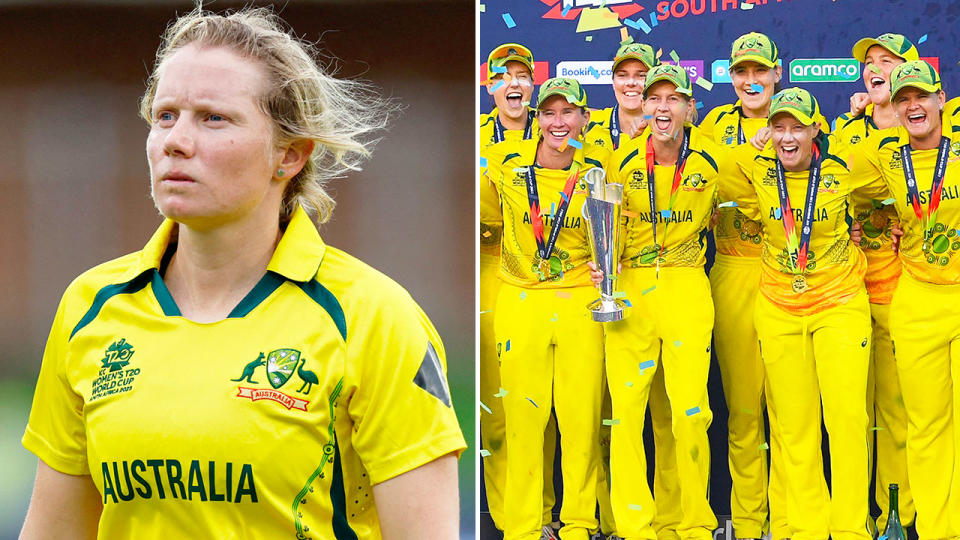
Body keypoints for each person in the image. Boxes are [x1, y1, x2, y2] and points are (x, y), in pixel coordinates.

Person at [19, 6, 465, 539]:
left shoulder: (373, 316)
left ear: (290, 155)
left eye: (213, 118)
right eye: (165, 115)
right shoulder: (90, 306)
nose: (175, 141)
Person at [725, 87, 887, 540]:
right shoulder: (757, 169)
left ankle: (853, 529)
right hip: (778, 305)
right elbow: (703, 161)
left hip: (838, 304)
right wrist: (752, 142)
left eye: (798, 126)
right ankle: (806, 530)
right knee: (794, 428)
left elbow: (896, 181)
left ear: (817, 129)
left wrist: (887, 228)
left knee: (847, 422)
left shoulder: (845, 170)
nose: (788, 137)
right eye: (779, 127)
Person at [483, 77, 609, 540]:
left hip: (579, 299)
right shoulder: (503, 162)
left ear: (584, 119)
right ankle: (523, 526)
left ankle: (579, 523)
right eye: (550, 113)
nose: (559, 122)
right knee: (523, 420)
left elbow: (610, 233)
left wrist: (604, 270)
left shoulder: (598, 167)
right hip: (520, 298)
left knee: (580, 419)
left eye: (568, 112)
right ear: (537, 120)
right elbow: (484, 218)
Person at [601, 62, 720, 540]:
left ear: (690, 108)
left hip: (687, 284)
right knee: (627, 414)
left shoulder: (714, 161)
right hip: (631, 288)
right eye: (655, 99)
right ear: (644, 106)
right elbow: (605, 227)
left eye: (674, 99)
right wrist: (603, 267)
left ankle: (690, 523)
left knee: (690, 412)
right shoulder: (620, 161)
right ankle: (635, 526)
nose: (663, 107)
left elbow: (754, 204)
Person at [848, 60, 960, 540]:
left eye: (921, 96)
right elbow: (830, 186)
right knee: (927, 425)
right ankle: (939, 531)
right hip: (915, 297)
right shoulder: (885, 158)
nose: (913, 106)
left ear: (941, 100)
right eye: (903, 99)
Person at [697, 31, 790, 540]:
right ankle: (749, 522)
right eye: (741, 72)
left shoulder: (806, 123)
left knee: (791, 407)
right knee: (742, 410)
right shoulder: (712, 125)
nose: (751, 81)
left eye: (760, 71)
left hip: (789, 271)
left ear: (779, 72)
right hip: (732, 267)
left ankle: (794, 518)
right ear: (730, 77)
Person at [833, 32, 919, 533]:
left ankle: (902, 516)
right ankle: (854, 520)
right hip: (845, 288)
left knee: (901, 408)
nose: (876, 68)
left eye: (888, 61)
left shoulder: (928, 128)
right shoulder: (844, 129)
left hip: (905, 284)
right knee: (850, 413)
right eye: (869, 62)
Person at [478, 42, 559, 539]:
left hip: (553, 274)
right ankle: (513, 522)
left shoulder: (556, 131)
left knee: (549, 408)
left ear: (532, 84)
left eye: (521, 76)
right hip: (492, 269)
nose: (513, 84)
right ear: (489, 87)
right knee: (501, 406)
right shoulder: (475, 138)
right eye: (502, 77)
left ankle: (547, 516)